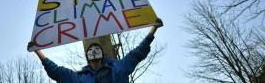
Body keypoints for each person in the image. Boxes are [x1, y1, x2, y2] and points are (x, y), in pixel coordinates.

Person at [27, 18, 163, 83]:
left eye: (96, 48)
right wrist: (37, 50)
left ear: (102, 55)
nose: (93, 50)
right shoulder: (79, 79)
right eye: (90, 49)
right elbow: (57, 72)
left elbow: (137, 54)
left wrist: (153, 29)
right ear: (87, 57)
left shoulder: (118, 67)